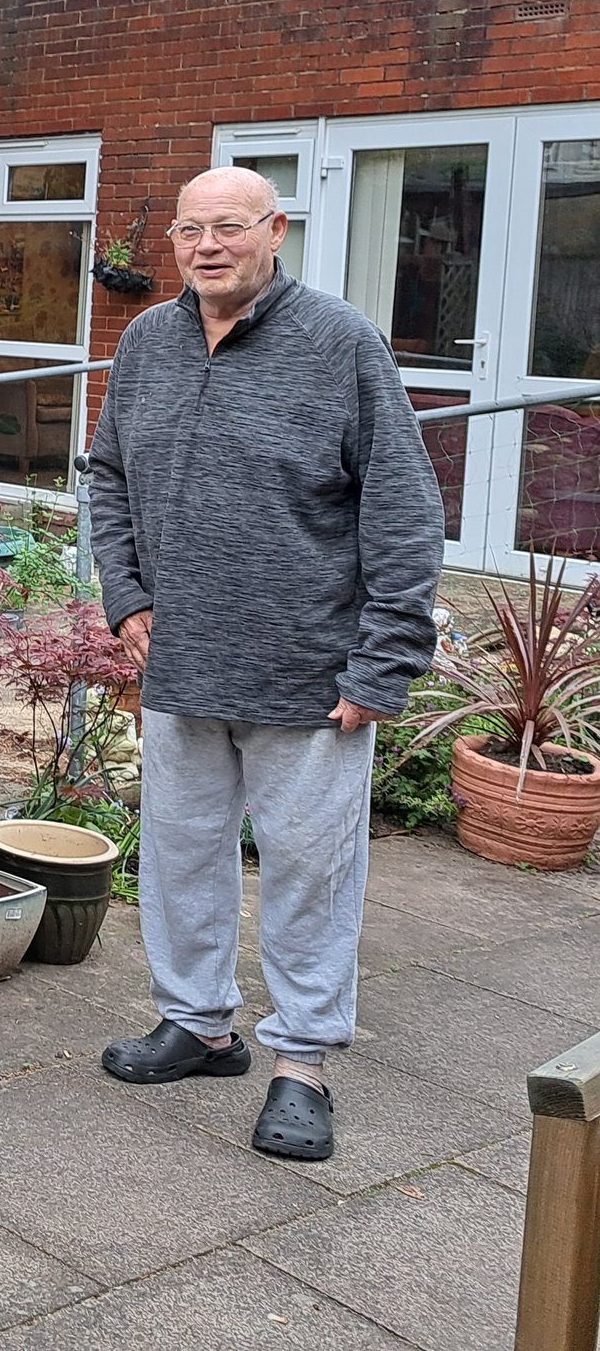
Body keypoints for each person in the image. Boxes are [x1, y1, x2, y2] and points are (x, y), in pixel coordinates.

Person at [90, 166, 443, 1162]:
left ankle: (301, 1066)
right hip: (180, 662)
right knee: (179, 857)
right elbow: (106, 475)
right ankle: (198, 1024)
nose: (208, 246)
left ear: (273, 232)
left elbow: (404, 510)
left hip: (310, 673)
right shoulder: (147, 342)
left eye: (230, 228)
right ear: (173, 241)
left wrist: (382, 664)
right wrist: (125, 595)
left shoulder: (339, 343)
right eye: (190, 230)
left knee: (308, 875)